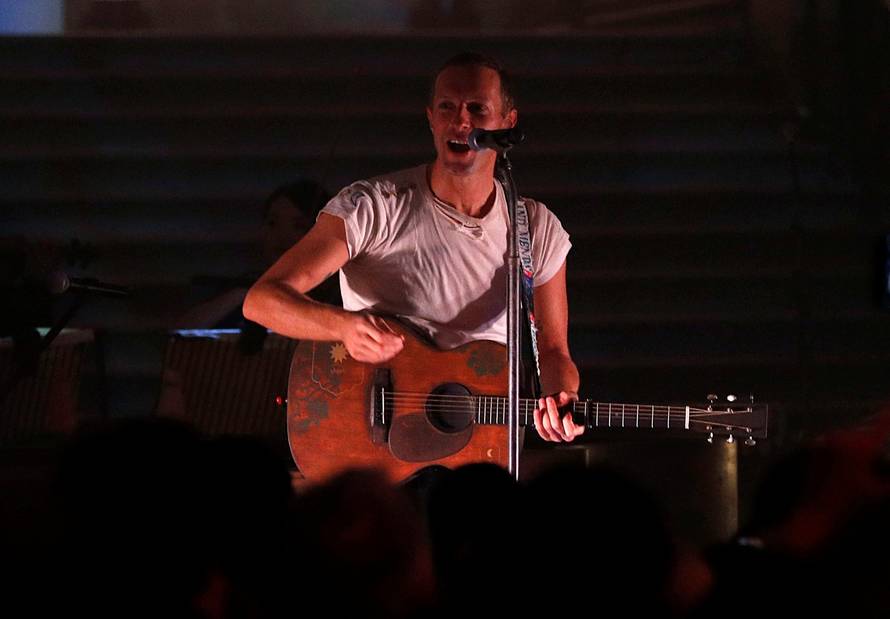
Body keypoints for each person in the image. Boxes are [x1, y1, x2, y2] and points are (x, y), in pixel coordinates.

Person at [243, 51, 583, 444]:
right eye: (447, 108)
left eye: (477, 108)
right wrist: (344, 327)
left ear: (508, 123)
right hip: (377, 440)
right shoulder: (374, 206)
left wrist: (560, 398)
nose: (461, 121)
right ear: (430, 119)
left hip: (481, 441)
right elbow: (262, 300)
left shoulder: (536, 228)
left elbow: (554, 350)